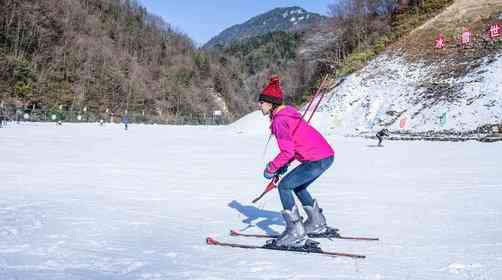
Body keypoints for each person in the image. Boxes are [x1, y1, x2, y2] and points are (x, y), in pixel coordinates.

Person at [258, 75, 335, 248]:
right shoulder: (289, 114)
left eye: (261, 102)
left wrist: (271, 168)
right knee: (298, 186)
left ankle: (295, 233)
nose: (259, 105)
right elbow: (293, 148)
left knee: (285, 186)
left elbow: (287, 151)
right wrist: (284, 163)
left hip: (316, 159)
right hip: (325, 155)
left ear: (271, 104)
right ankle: (317, 223)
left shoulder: (280, 120)